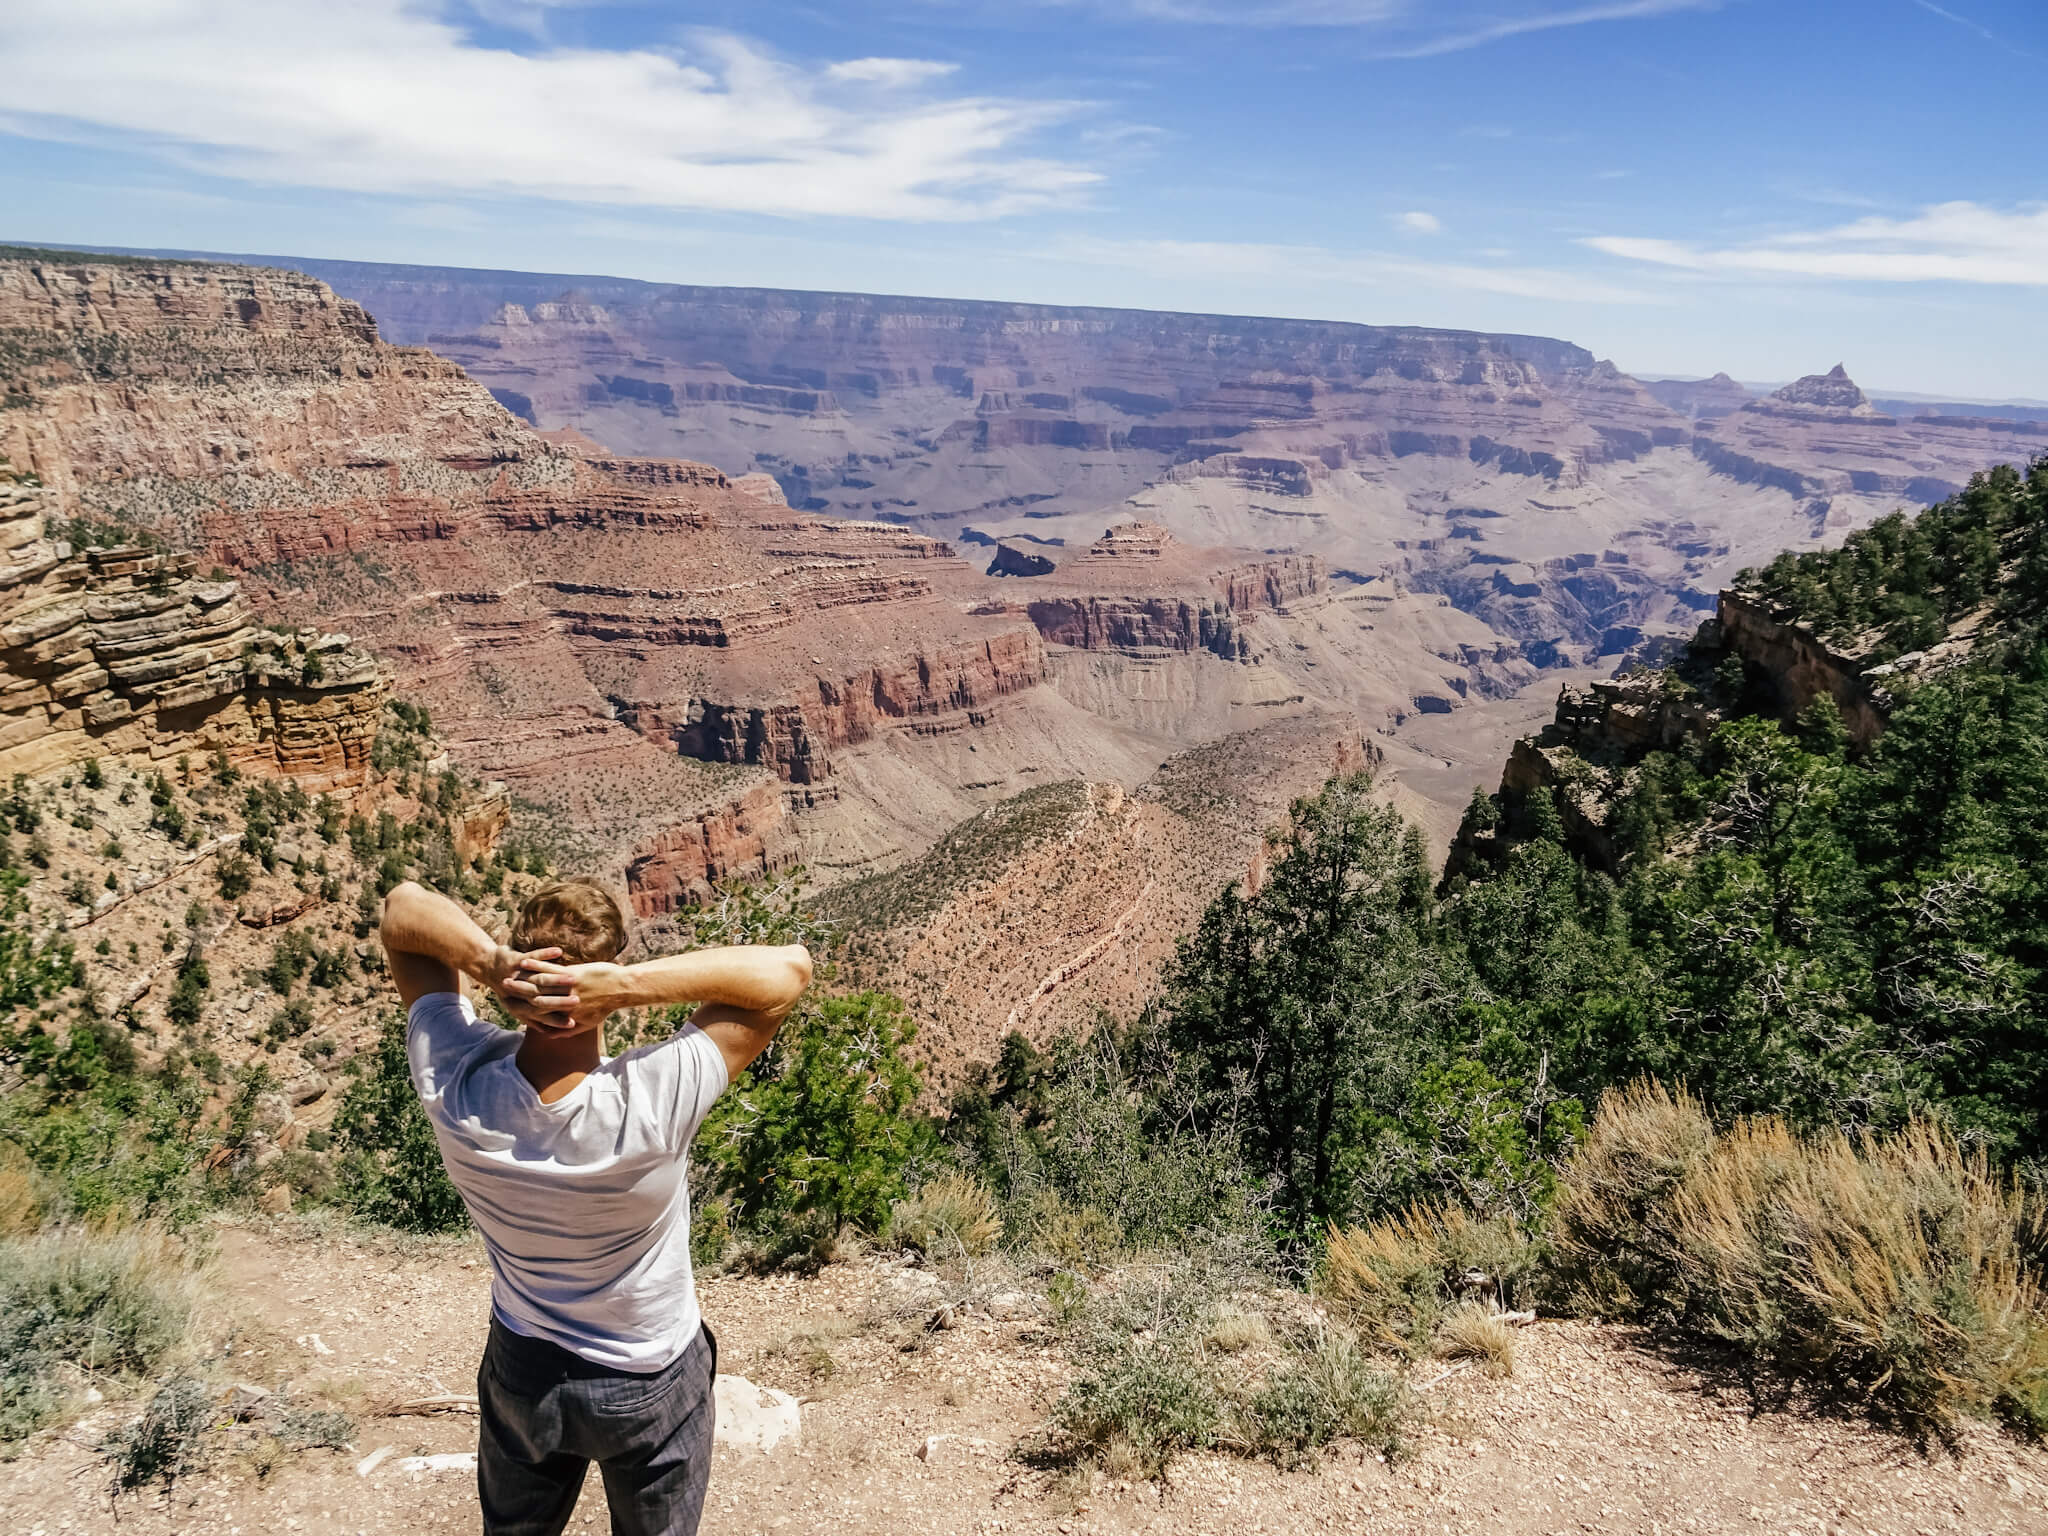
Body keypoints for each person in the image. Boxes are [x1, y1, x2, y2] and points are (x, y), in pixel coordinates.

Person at [378, 877, 813, 1536]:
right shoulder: (654, 1097)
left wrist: (494, 966)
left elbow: (403, 911)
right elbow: (788, 970)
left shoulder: (455, 1083)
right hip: (650, 1377)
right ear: (604, 978)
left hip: (523, 1368)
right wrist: (628, 984)